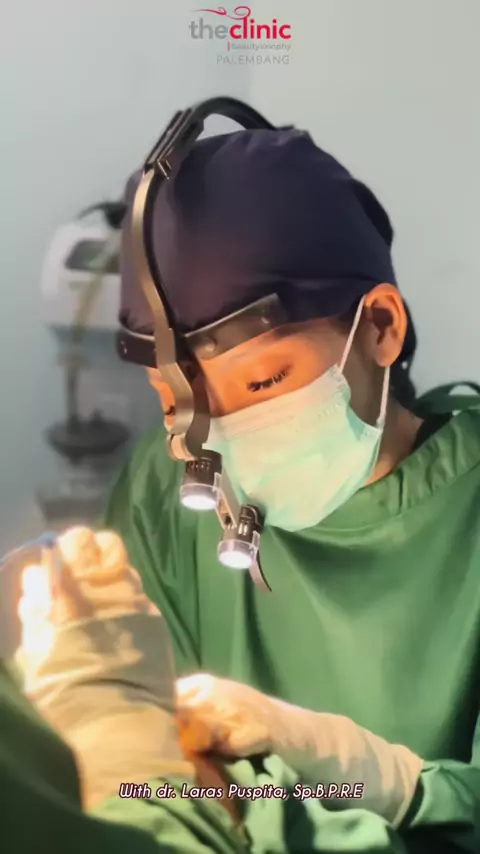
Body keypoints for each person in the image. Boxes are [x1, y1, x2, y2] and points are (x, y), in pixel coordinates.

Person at [105, 121, 480, 853]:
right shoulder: (163, 492)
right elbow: (144, 789)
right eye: (175, 400)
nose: (218, 439)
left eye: (263, 382)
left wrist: (381, 779)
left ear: (379, 327)